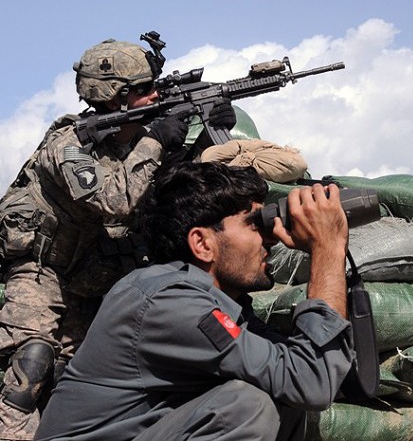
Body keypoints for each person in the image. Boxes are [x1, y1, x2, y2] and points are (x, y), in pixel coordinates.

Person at [0, 35, 236, 441]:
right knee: (32, 364)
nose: (154, 96)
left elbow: (171, 195)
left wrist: (205, 133)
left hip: (93, 277)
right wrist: (155, 140)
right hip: (40, 269)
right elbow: (116, 200)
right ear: (113, 98)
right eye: (143, 90)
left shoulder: (141, 145)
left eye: (153, 87)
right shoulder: (68, 143)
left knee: (71, 377)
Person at [35, 161, 354, 441]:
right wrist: (327, 249)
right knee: (245, 405)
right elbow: (313, 380)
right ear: (202, 243)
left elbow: (300, 373)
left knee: (283, 397)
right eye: (253, 223)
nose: (269, 236)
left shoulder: (216, 302)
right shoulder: (170, 303)